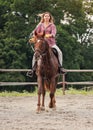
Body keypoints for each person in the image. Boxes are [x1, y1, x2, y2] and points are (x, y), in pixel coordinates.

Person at [29, 12, 64, 77]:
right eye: (45, 16)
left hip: (51, 43)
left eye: (48, 16)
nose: (46, 17)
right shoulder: (40, 25)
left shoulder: (52, 26)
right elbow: (35, 33)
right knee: (35, 54)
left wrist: (46, 36)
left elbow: (53, 34)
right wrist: (34, 38)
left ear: (50, 17)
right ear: (43, 17)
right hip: (42, 44)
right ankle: (33, 69)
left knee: (59, 52)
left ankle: (60, 67)